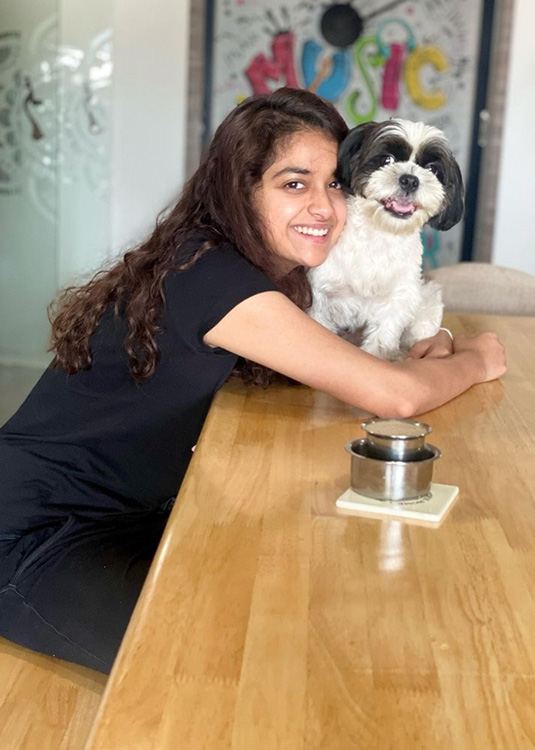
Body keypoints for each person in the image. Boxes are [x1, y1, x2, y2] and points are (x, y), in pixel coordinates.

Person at [0, 87, 505, 674]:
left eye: (334, 184)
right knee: (234, 662)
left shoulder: (250, 268)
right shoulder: (216, 279)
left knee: (302, 605)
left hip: (131, 512)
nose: (323, 207)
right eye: (294, 184)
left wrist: (433, 343)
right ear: (239, 191)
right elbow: (395, 395)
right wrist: (478, 358)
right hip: (33, 535)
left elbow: (353, 363)